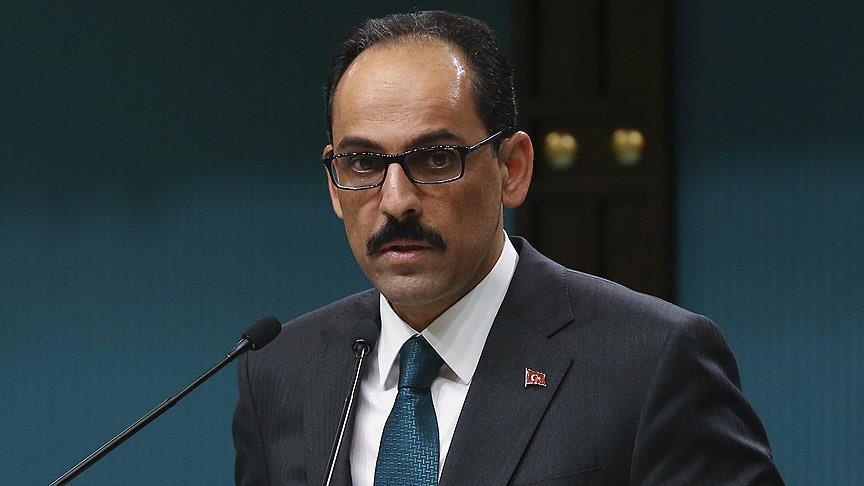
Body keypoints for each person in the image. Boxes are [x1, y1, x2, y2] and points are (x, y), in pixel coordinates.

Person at [233, 10, 783, 486]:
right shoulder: (280, 372)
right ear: (335, 185)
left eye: (436, 158)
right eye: (363, 163)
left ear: (512, 169)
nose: (396, 201)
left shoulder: (651, 361)